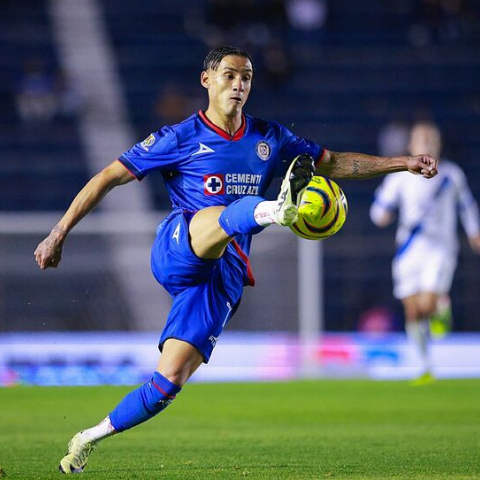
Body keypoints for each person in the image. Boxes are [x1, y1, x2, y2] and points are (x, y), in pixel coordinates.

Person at [34, 46, 438, 474]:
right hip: (181, 245)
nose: (239, 84)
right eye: (229, 75)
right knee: (225, 214)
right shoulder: (180, 137)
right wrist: (59, 232)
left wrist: (403, 163)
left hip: (221, 273)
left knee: (168, 381)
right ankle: (275, 211)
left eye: (246, 77)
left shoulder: (270, 137)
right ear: (206, 80)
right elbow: (108, 177)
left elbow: (333, 162)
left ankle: (86, 439)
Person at [370, 120, 480, 385]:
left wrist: (475, 232)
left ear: (439, 145)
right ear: (411, 145)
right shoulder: (399, 176)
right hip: (409, 251)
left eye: (432, 139)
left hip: (440, 250)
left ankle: (441, 306)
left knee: (427, 304)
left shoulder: (451, 174)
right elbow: (379, 210)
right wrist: (382, 215)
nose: (428, 143)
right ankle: (424, 365)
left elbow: (467, 206)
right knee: (413, 312)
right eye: (422, 139)